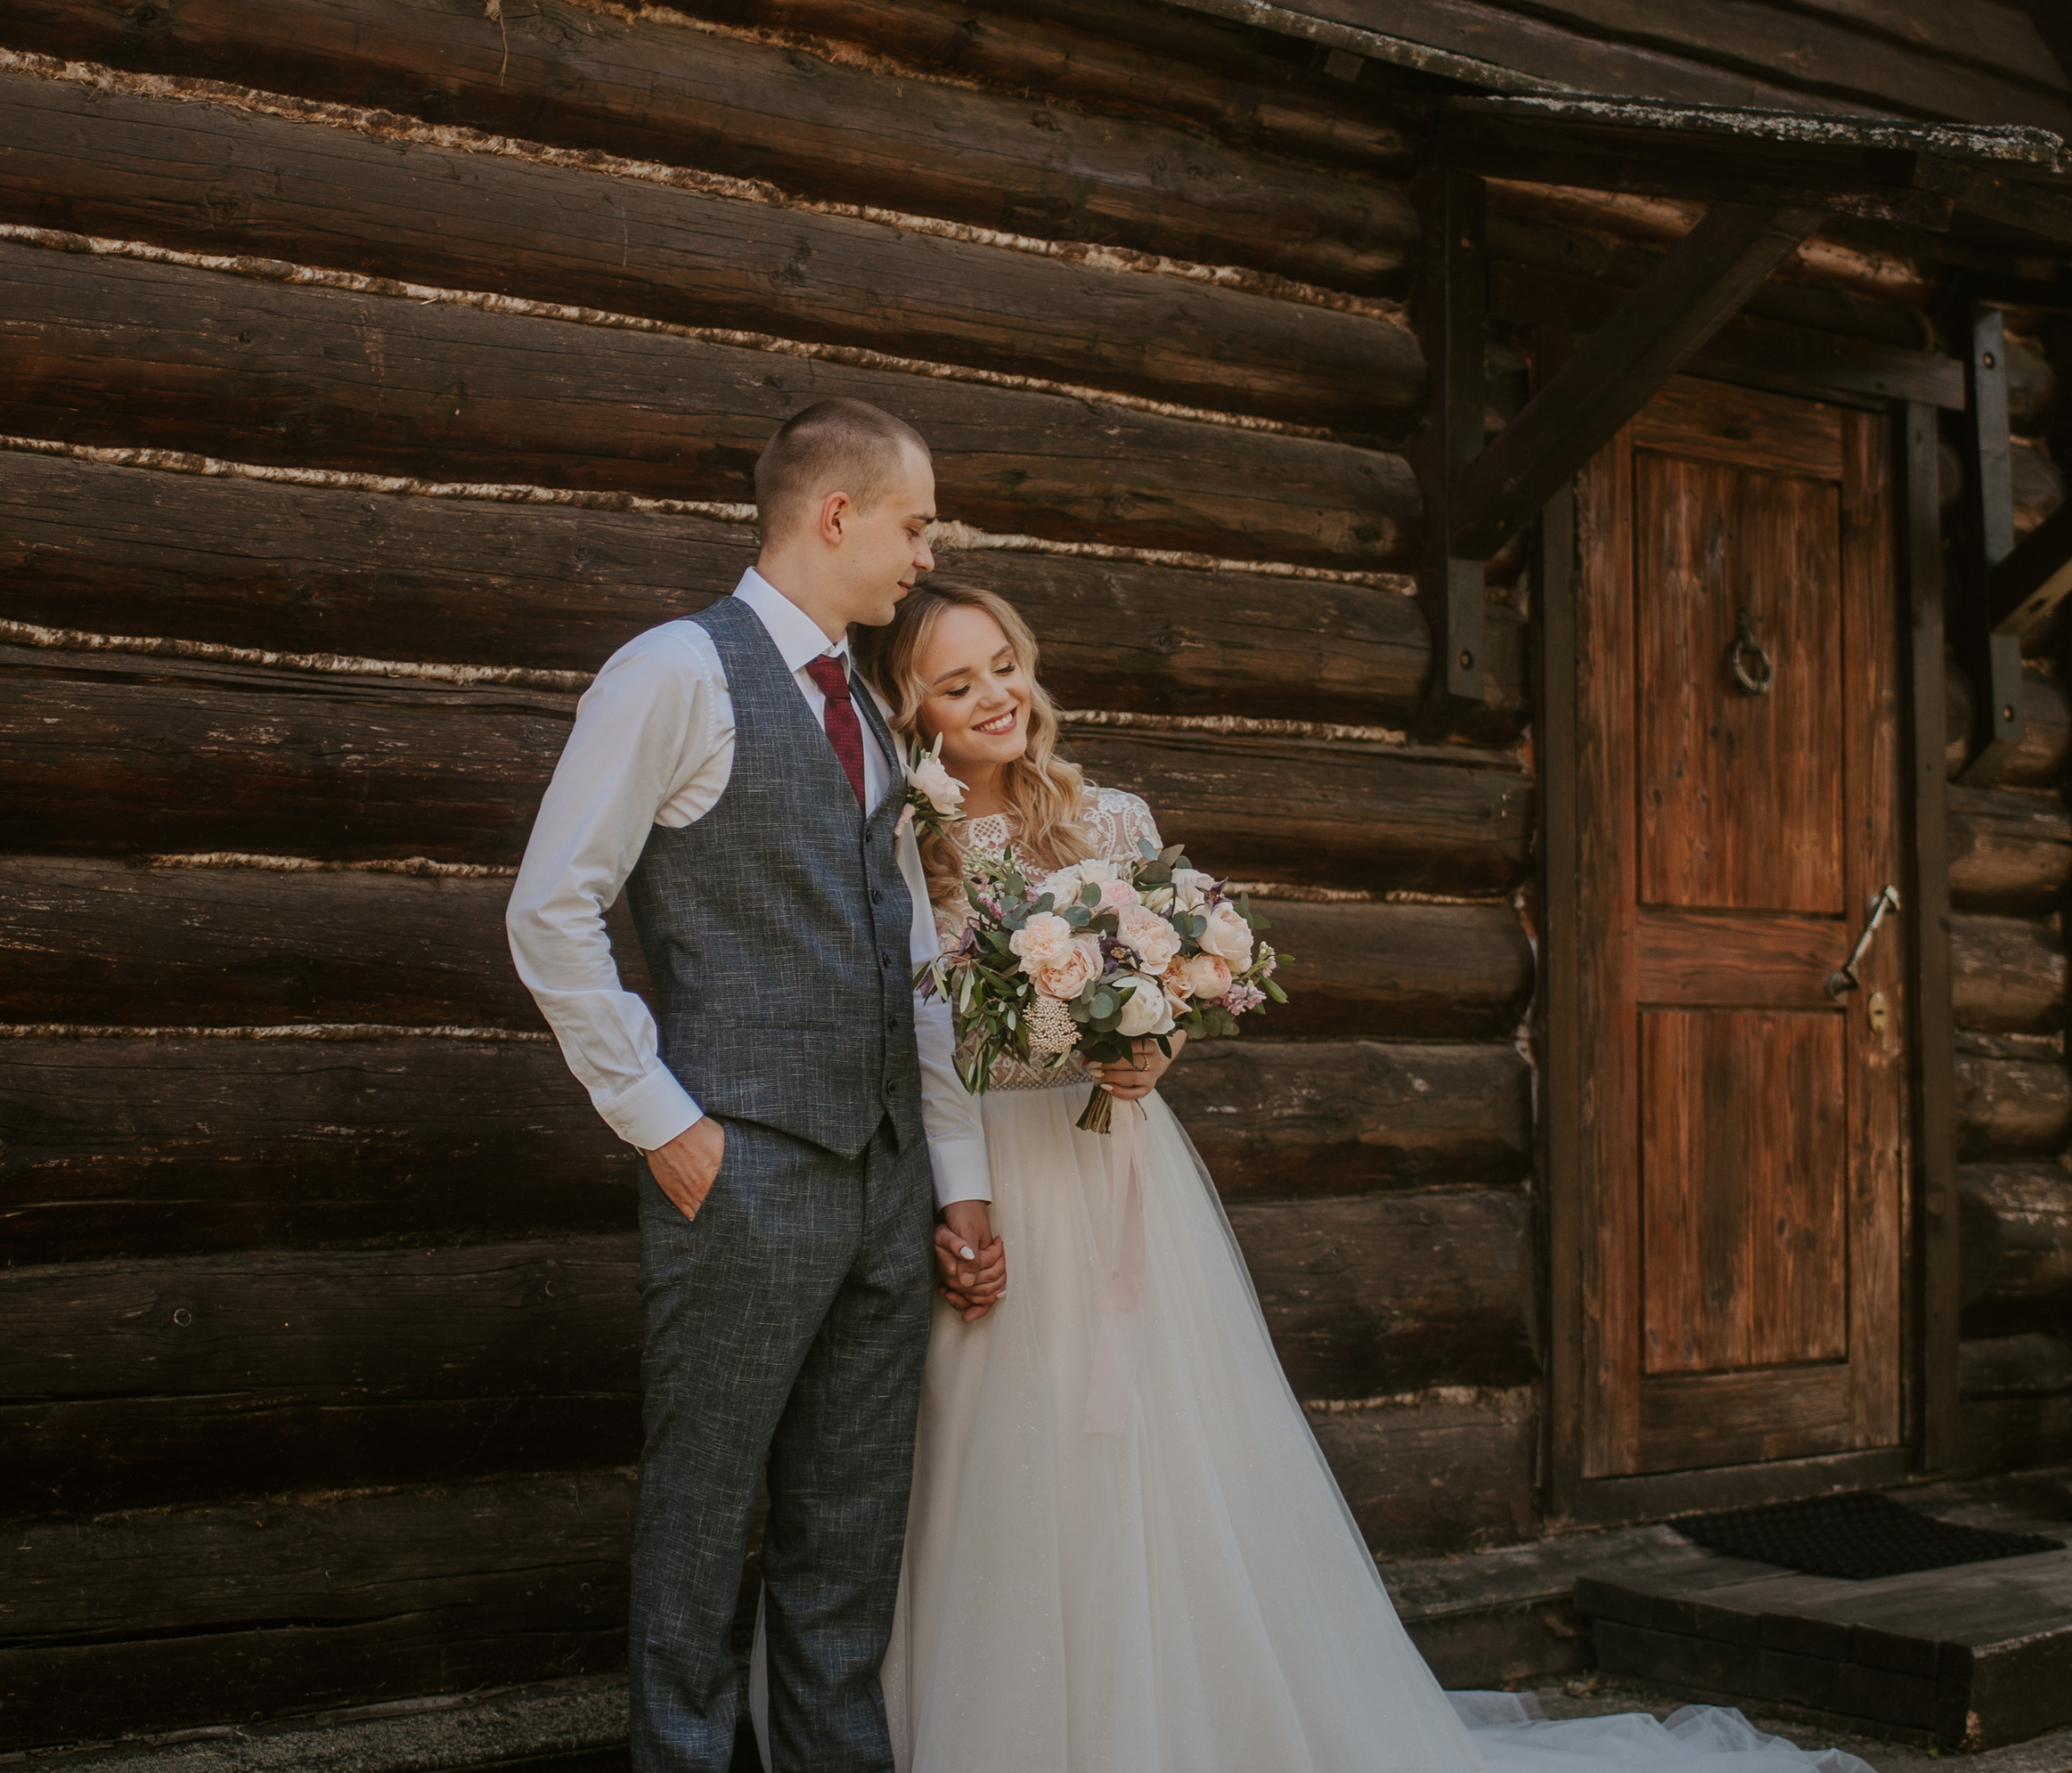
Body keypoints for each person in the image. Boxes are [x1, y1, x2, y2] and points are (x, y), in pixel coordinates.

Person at [861, 574, 1873, 1773]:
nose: (996, 696)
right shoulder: (906, 842)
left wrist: (1150, 1049)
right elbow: (920, 1036)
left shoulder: (1111, 818)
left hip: (1120, 1172)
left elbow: (1169, 983)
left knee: (1151, 1449)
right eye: (957, 682)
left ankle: (1169, 1722)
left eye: (1005, 666)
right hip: (993, 1174)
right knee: (996, 1454)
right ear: (910, 709)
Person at [505, 400, 999, 1773]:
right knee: (703, 1534)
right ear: (834, 514)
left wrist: (953, 1181)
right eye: (914, 525)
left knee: (848, 1550)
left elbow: (907, 959)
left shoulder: (876, 720)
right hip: (744, 1173)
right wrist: (667, 1128)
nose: (925, 555)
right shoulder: (674, 671)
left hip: (884, 1185)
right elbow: (552, 911)